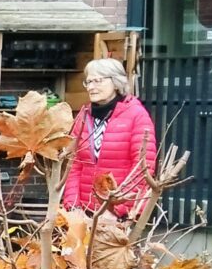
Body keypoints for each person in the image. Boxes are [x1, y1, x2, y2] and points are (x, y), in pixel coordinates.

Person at [66, 57, 158, 217]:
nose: (91, 87)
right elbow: (74, 166)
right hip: (84, 212)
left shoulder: (137, 115)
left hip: (119, 213)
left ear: (116, 82)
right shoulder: (83, 116)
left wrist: (117, 210)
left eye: (98, 81)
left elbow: (143, 170)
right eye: (88, 82)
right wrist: (73, 208)